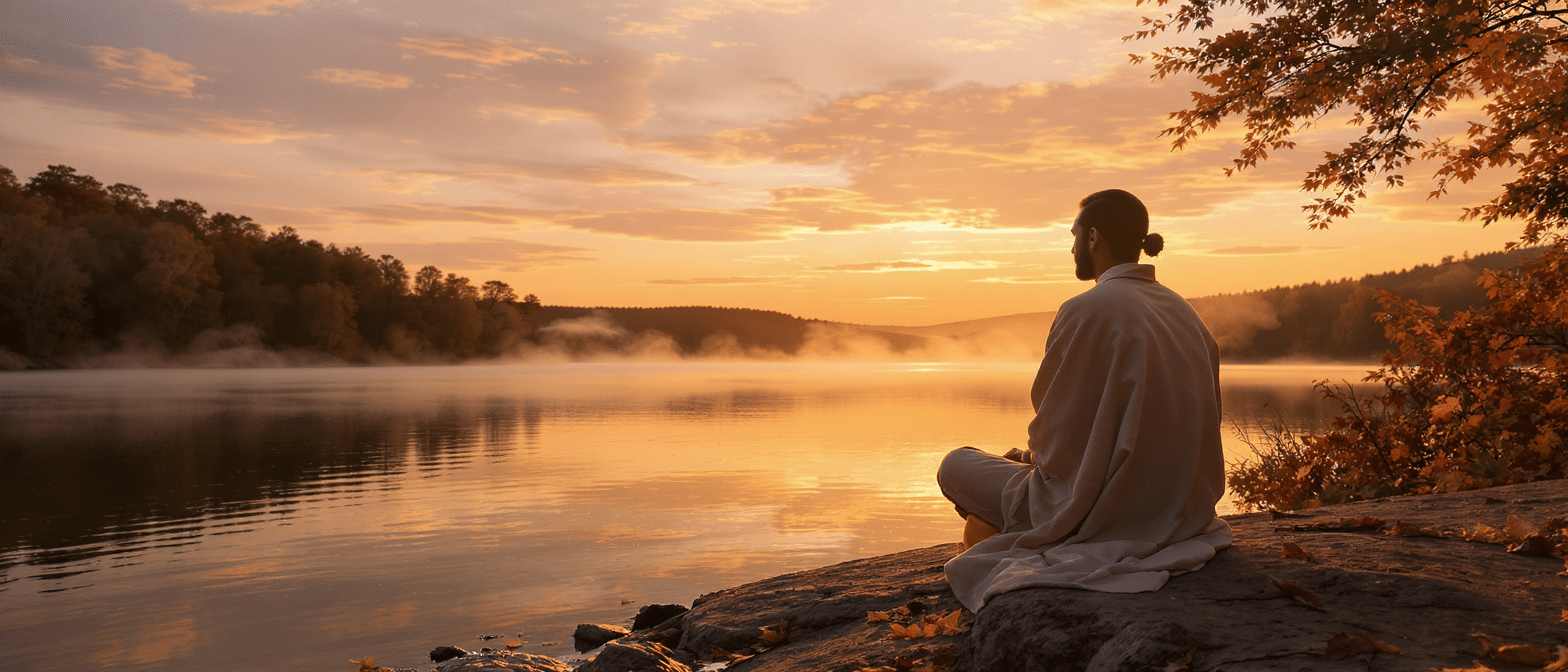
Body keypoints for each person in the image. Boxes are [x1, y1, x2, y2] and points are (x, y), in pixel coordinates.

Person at [937, 189, 1231, 612]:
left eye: (1073, 234)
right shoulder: (1185, 313)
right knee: (1014, 458)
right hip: (1182, 508)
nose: (1070, 245)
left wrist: (1036, 460)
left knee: (955, 463)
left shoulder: (1086, 309)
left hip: (1102, 508)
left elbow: (1056, 435)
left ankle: (1014, 528)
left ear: (1093, 238)